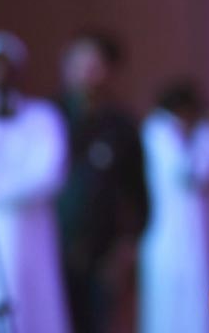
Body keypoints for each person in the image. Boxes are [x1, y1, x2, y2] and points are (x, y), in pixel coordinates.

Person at [0, 30, 70, 333]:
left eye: (6, 65)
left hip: (25, 230)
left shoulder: (42, 117)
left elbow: (49, 173)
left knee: (26, 303)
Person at [55, 31, 148, 333]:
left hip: (103, 252)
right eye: (79, 61)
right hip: (52, 248)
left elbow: (138, 194)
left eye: (94, 63)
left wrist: (126, 249)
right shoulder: (50, 119)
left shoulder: (121, 126)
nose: (86, 71)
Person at [138, 81, 209, 333]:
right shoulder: (158, 131)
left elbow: (204, 171)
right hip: (164, 235)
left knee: (197, 306)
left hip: (197, 238)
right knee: (165, 310)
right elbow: (184, 175)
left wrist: (207, 132)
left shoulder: (203, 134)